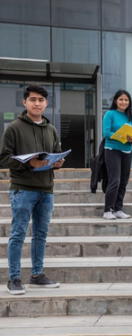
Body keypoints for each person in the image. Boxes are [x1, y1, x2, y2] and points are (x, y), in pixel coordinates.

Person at [0, 85, 63, 295]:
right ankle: (14, 279)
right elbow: (4, 158)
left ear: (46, 103)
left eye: (41, 100)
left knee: (41, 234)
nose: (37, 103)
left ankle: (37, 275)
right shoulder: (13, 128)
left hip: (46, 189)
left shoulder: (51, 129)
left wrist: (58, 162)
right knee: (18, 234)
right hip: (23, 189)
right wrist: (29, 164)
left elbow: (54, 153)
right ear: (24, 102)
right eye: (33, 99)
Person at [101, 89, 132, 220]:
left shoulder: (130, 116)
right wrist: (120, 136)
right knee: (114, 180)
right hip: (112, 150)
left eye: (126, 100)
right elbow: (106, 133)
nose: (123, 102)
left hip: (127, 150)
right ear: (116, 100)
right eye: (121, 99)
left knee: (123, 181)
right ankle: (107, 210)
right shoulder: (109, 114)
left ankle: (118, 209)